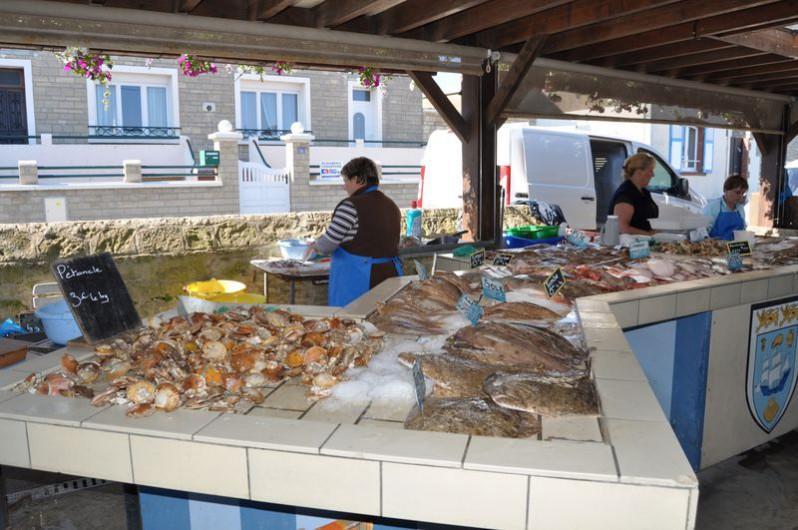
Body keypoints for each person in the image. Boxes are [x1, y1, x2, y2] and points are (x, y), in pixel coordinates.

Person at [304, 157, 403, 307]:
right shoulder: (391, 205)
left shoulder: (350, 207)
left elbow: (327, 245)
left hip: (360, 283)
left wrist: (314, 246)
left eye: (346, 181)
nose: (345, 187)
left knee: (352, 325)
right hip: (390, 278)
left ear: (357, 179)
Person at [608, 152, 659, 235]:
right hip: (628, 244)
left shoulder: (644, 192)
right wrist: (649, 234)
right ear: (639, 172)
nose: (653, 175)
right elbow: (622, 228)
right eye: (650, 171)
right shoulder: (625, 194)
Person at [703, 174, 748, 240]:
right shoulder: (712, 208)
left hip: (736, 248)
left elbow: (743, 231)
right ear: (725, 190)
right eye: (737, 192)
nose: (740, 196)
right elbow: (701, 233)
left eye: (743, 193)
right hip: (715, 248)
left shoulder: (740, 209)